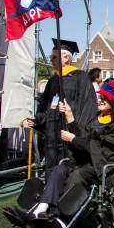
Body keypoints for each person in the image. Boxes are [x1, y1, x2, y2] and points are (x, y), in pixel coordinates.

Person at [4, 64, 114, 228]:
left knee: (79, 173)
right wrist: (71, 119)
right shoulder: (99, 118)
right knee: (61, 168)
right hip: (92, 162)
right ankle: (39, 212)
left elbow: (102, 148)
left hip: (109, 166)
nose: (101, 99)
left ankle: (61, 217)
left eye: (105, 98)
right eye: (102, 96)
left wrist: (74, 139)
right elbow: (86, 137)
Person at [29, 39, 98, 180]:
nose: (51, 60)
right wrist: (38, 120)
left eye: (54, 57)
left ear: (66, 58)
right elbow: (44, 108)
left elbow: (88, 107)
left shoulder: (81, 77)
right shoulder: (53, 80)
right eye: (51, 57)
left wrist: (78, 130)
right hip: (53, 135)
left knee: (69, 166)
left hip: (69, 134)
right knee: (52, 165)